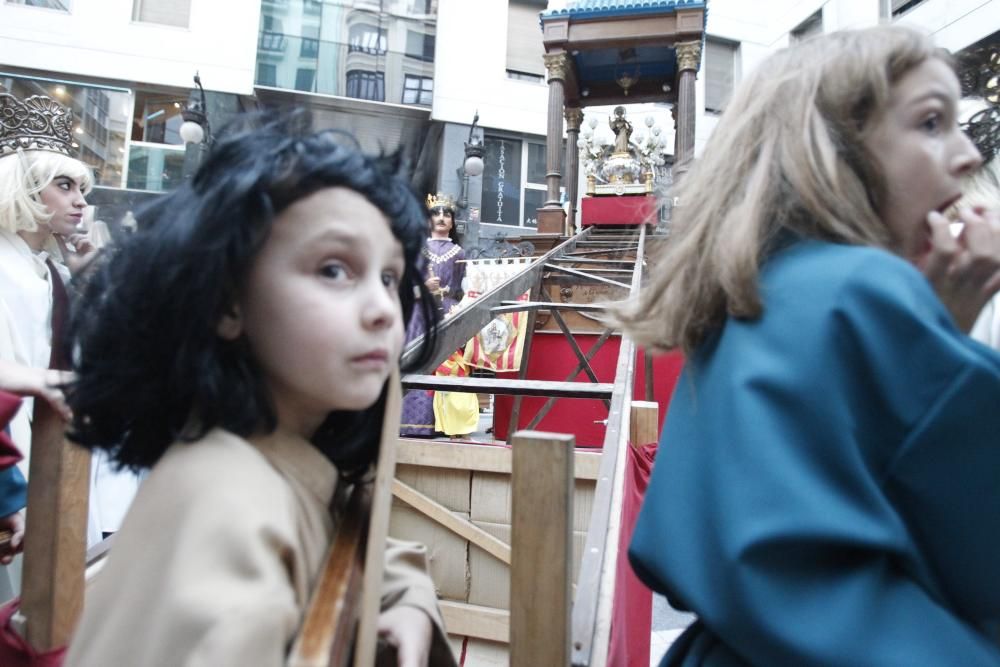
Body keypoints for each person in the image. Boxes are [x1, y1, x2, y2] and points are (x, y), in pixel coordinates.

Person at [614, 26, 1000, 666]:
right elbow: (975, 549)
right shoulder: (865, 290)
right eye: (932, 122)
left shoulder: (753, 298)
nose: (966, 154)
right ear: (834, 149)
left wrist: (937, 321)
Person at [62, 113, 455, 667]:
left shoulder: (278, 458)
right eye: (335, 270)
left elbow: (335, 539)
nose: (382, 311)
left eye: (389, 277)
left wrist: (408, 599)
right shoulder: (227, 525)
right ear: (227, 302)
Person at [400, 193, 477, 439]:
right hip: (420, 312)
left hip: (449, 312)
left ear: (453, 222)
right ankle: (416, 423)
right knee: (419, 361)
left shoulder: (460, 252)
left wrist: (463, 306)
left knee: (450, 365)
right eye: (437, 213)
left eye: (447, 214)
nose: (442, 218)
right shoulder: (416, 250)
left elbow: (468, 286)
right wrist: (424, 288)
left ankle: (452, 424)